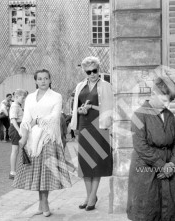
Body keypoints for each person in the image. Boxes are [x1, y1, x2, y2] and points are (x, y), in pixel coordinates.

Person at [12, 69, 71, 217]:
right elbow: (26, 119)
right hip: (32, 140)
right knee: (37, 173)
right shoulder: (30, 98)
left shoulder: (56, 96)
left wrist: (37, 120)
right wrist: (23, 136)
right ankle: (41, 203)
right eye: (40, 79)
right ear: (36, 81)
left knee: (46, 173)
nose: (43, 81)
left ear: (50, 80)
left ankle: (45, 203)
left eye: (46, 78)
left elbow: (55, 117)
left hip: (49, 137)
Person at [127, 75, 175, 221]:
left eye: (170, 101)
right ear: (153, 94)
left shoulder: (169, 116)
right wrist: (161, 166)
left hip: (168, 168)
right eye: (164, 100)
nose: (167, 105)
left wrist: (172, 164)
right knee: (147, 211)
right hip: (146, 170)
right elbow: (140, 146)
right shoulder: (138, 115)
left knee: (168, 211)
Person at [70, 56, 113, 211]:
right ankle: (90, 196)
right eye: (89, 72)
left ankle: (92, 196)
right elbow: (76, 106)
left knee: (97, 162)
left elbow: (110, 109)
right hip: (83, 125)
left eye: (95, 70)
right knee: (85, 163)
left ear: (98, 70)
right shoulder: (80, 85)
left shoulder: (106, 86)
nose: (92, 74)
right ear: (84, 72)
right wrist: (81, 110)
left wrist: (91, 108)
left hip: (99, 126)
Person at [9, 89, 27, 180]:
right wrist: (19, 130)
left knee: (22, 149)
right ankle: (12, 172)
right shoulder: (14, 106)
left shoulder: (18, 106)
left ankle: (21, 170)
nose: (23, 100)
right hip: (16, 128)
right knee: (15, 150)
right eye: (22, 98)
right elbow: (13, 120)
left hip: (20, 128)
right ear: (16, 97)